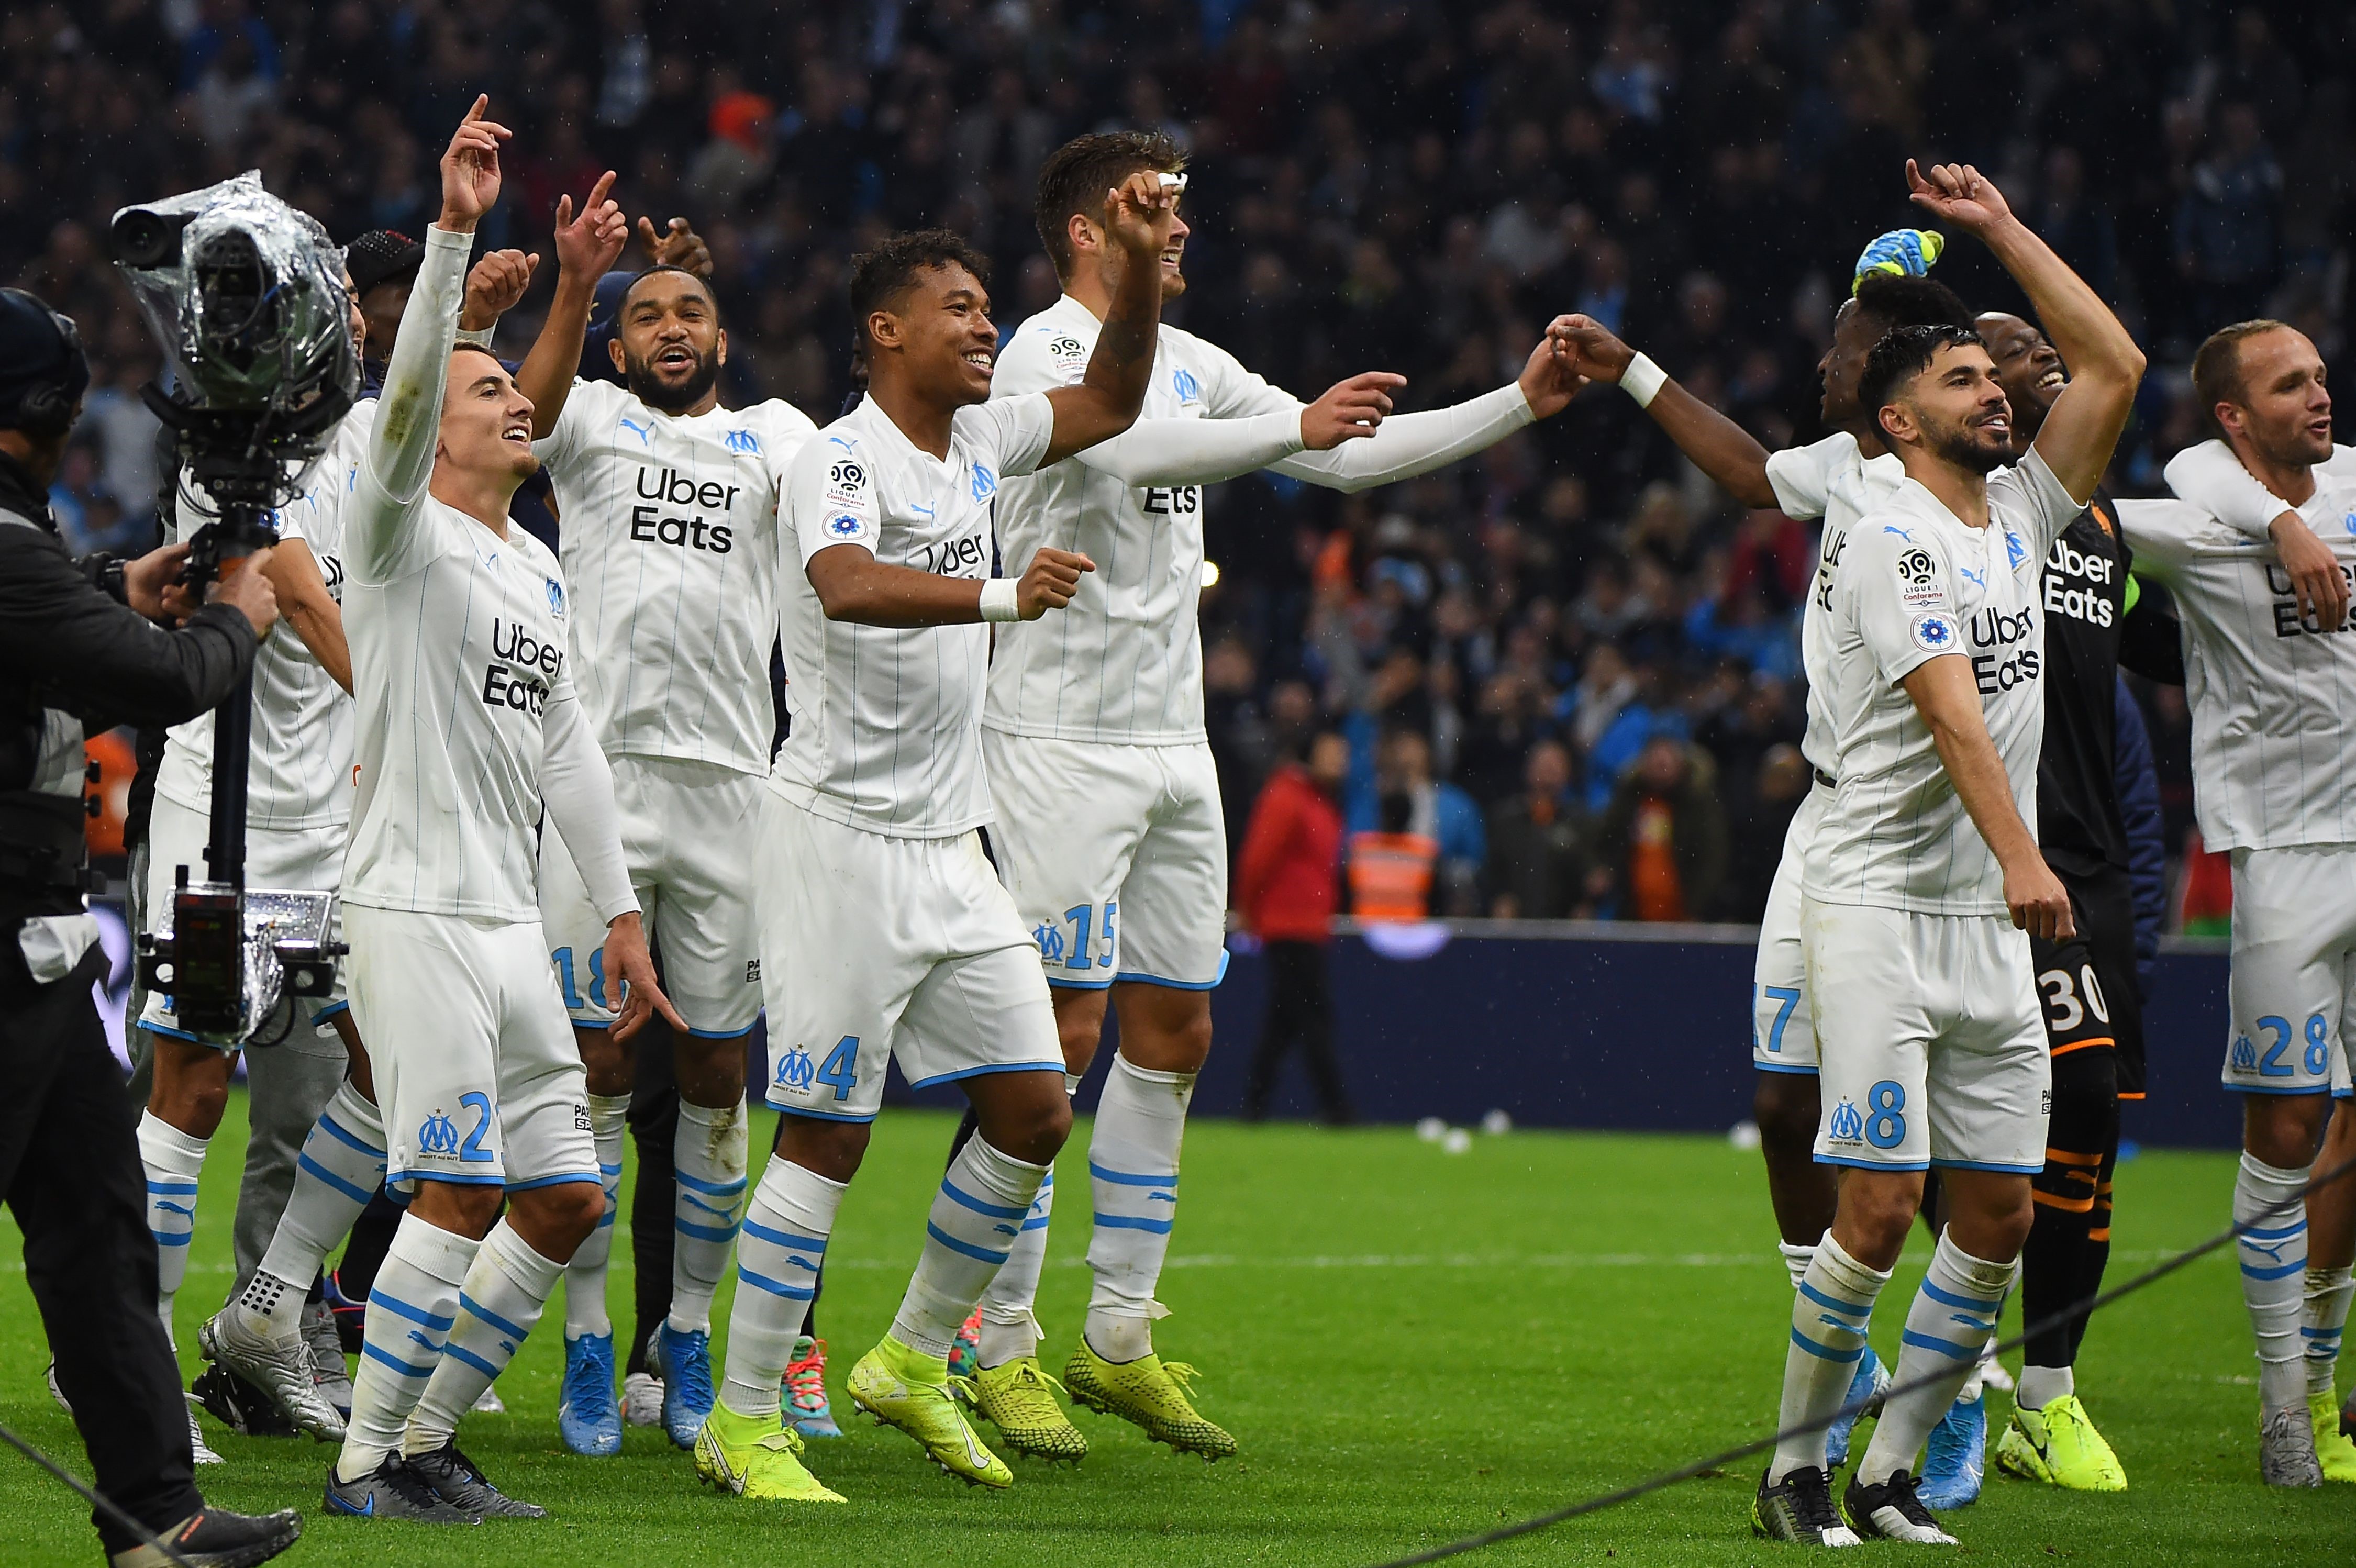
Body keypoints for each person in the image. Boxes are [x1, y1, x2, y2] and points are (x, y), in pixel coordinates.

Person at [960, 128, 1581, 1463]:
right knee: (1054, 1038)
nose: (1181, 230)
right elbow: (1118, 450)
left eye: (1180, 208)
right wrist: (1284, 427)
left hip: (1173, 739)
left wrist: (1517, 401)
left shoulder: (1198, 361)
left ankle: (1114, 1335)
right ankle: (991, 1341)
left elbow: (1343, 455)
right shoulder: (1036, 351)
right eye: (1154, 210)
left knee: (1172, 1030)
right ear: (1086, 228)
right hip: (1053, 736)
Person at [696, 182, 1178, 1504]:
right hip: (836, 839)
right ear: (883, 331)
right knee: (826, 1136)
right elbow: (843, 587)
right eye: (955, 310)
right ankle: (743, 1422)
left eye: (982, 305)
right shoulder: (836, 457)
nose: (982, 328)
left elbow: (1116, 401)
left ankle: (909, 1356)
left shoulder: (979, 446)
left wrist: (1133, 268)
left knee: (1032, 1107)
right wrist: (1000, 593)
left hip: (948, 844)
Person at [1759, 161, 2142, 1547]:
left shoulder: (2023, 513)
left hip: (1987, 922)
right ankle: (1795, 1467)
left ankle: (1889, 1470)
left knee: (1992, 1211)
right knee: (1875, 1201)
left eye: (1996, 376)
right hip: (1876, 909)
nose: (1997, 393)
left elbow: (2113, 360)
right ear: (1895, 414)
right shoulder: (1886, 530)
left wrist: (1997, 231)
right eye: (1968, 380)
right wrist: (2025, 861)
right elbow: (1951, 715)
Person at [320, 97, 680, 1523]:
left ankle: (425, 1437)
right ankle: (364, 1465)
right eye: (492, 398)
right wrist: (455, 234)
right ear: (434, 437)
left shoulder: (532, 564)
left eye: (520, 396)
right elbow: (407, 403)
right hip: (408, 902)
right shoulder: (395, 530)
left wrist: (622, 914)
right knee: (458, 1192)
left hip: (508, 921)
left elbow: (571, 748)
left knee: (565, 1199)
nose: (516, 404)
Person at [1554, 239, 1975, 1450]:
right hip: (1828, 818)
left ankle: (1961, 1385)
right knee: (1782, 1103)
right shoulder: (1840, 465)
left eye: (1840, 343)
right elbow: (1743, 471)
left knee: (1932, 1138)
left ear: (1891, 372)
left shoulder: (1971, 490)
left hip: (1933, 834)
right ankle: (1844, 1364)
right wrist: (1631, 368)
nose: (1817, 357)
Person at [171, 244, 538, 1450]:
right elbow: (294, 586)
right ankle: (111, 1347)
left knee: (380, 1068)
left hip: (338, 824)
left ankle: (271, 1307)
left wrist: (500, 307)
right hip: (220, 815)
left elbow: (468, 420)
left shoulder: (380, 434)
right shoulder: (241, 434)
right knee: (193, 1083)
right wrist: (402, 714)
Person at [513, 177, 824, 1459]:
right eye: (648, 316)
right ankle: (589, 1336)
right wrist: (576, 279)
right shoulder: (585, 421)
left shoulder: (779, 437)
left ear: (724, 338)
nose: (672, 328)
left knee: (710, 1070)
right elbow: (512, 417)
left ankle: (681, 1331)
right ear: (620, 344)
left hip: (731, 791)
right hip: (595, 787)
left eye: (691, 309)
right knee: (589, 1064)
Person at [0, 284, 301, 1566]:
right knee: (86, 1217)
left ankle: (155, 1518)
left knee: (97, 1219)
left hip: (41, 939)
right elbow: (164, 680)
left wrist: (125, 580)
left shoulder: (20, 544)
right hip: (3, 935)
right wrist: (244, 613)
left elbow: (61, 612)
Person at [2127, 319, 2356, 1485]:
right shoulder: (2199, 521)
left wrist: (2300, 511)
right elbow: (2153, 483)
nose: (2321, 397)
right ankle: (2279, 1407)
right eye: (2290, 385)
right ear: (2233, 414)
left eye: (2320, 376)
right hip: (2283, 860)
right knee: (2284, 1129)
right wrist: (2278, 521)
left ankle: (2322, 1395)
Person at [1965, 307, 2185, 1497]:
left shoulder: (2094, 522)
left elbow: (2162, 648)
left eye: (2045, 354)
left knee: (2090, 1148)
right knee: (2071, 1096)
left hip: (2094, 867)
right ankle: (2022, 1384)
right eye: (2006, 350)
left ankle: (2030, 1400)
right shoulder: (1977, 509)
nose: (2035, 357)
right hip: (2012, 858)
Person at [1237, 731, 1351, 1122]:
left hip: (1305, 924)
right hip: (1290, 925)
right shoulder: (1289, 796)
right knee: (1313, 1016)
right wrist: (1249, 910)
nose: (1340, 763)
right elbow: (1258, 857)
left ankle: (1255, 1105)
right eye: (1333, 754)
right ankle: (1337, 1107)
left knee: (1285, 1019)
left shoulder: (1317, 800)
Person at [1590, 735, 1728, 922]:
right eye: (1655, 760)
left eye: (1666, 761)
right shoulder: (1629, 800)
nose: (1660, 766)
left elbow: (1712, 858)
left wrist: (1697, 909)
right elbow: (1607, 842)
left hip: (1685, 918)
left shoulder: (1697, 804)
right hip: (1634, 916)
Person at [1485, 739, 1593, 920]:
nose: (1550, 771)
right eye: (1544, 764)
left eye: (1557, 765)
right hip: (1514, 924)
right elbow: (1492, 870)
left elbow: (1588, 875)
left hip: (1563, 926)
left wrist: (1585, 903)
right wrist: (1499, 898)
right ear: (1528, 769)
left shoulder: (1579, 823)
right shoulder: (1505, 819)